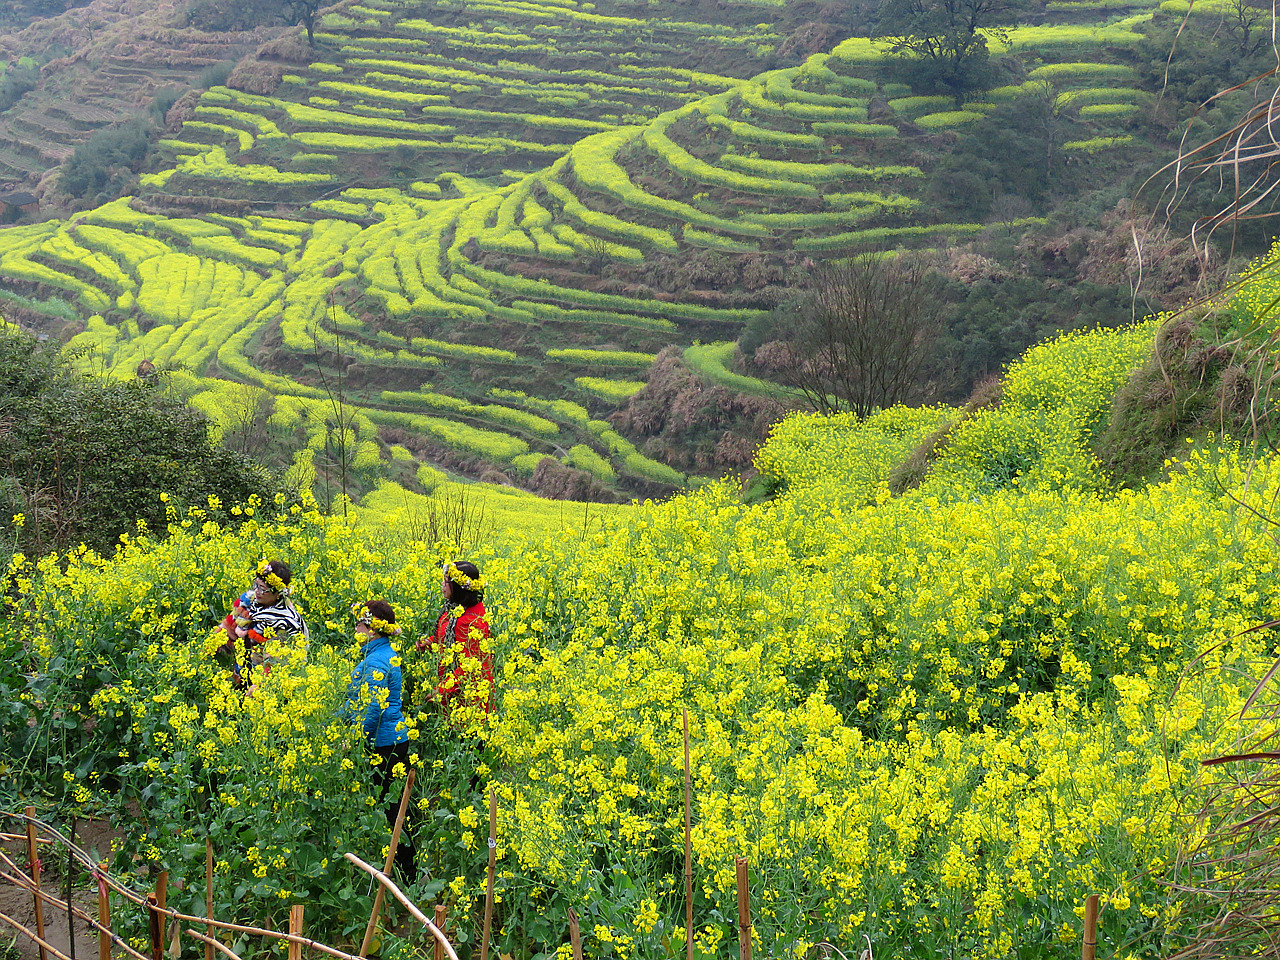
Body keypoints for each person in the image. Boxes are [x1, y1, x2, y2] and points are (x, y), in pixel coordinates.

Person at [343, 599, 417, 882]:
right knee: (396, 808)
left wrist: (353, 738)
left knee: (394, 810)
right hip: (393, 738)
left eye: (360, 624)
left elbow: (372, 708)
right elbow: (357, 702)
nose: (356, 628)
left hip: (385, 743)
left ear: (373, 630)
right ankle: (403, 870)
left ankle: (407, 874)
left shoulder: (375, 660)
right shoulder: (383, 653)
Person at [418, 560, 493, 722]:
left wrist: (442, 690)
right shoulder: (455, 608)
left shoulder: (469, 621)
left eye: (446, 582)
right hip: (454, 687)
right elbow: (450, 640)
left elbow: (470, 665)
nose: (442, 586)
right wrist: (431, 643)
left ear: (459, 588)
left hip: (468, 696)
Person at [218, 559, 309, 686]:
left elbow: (278, 661)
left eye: (262, 589)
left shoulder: (285, 622)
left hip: (267, 686)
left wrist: (260, 686)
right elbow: (228, 629)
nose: (256, 591)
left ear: (278, 594)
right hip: (241, 674)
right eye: (256, 585)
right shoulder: (248, 603)